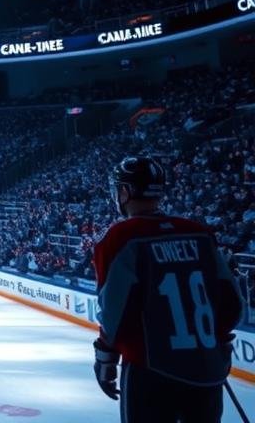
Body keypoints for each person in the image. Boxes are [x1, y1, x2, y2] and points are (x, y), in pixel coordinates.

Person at [92, 156, 242, 422]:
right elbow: (233, 305)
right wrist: (211, 342)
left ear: (124, 192)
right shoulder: (199, 233)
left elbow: (114, 312)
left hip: (150, 370)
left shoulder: (120, 238)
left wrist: (105, 359)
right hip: (206, 370)